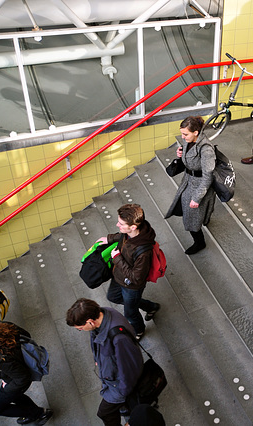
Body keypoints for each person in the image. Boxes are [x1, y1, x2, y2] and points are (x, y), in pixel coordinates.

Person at [66, 298, 144, 426]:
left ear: (90, 322)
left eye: (80, 328)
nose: (80, 330)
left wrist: (123, 391)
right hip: (112, 377)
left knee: (104, 413)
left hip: (117, 386)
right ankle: (125, 406)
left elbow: (129, 368)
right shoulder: (105, 312)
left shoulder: (119, 338)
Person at [97, 203, 161, 341]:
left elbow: (136, 278)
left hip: (131, 286)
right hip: (118, 276)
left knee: (130, 313)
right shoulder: (131, 232)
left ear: (133, 227)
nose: (117, 225)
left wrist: (117, 259)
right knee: (112, 297)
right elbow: (122, 236)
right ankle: (150, 306)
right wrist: (109, 238)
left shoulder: (143, 252)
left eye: (121, 223)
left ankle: (138, 330)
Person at [0, 320, 54, 425]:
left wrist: (7, 387)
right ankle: (36, 413)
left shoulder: (0, 359)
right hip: (18, 370)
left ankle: (38, 413)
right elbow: (26, 335)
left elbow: (23, 378)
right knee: (16, 397)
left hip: (14, 381)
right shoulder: (4, 325)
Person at [165, 116, 216, 254]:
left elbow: (208, 176)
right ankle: (204, 219)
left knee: (191, 217)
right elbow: (189, 154)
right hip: (188, 180)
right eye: (182, 133)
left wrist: (197, 197)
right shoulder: (189, 140)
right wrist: (181, 154)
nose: (182, 137)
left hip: (199, 185)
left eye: (185, 134)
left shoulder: (206, 150)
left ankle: (200, 242)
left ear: (196, 132)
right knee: (191, 213)